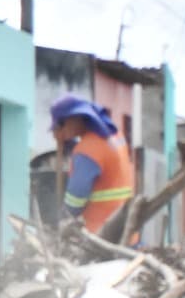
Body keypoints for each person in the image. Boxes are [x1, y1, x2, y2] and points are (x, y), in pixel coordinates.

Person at [50, 95, 136, 235]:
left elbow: (75, 203)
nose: (61, 131)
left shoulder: (87, 151)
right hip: (125, 230)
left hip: (100, 234)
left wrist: (60, 223)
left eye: (61, 125)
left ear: (76, 118)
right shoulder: (114, 136)